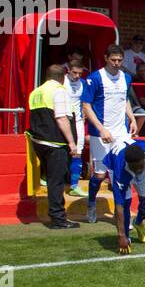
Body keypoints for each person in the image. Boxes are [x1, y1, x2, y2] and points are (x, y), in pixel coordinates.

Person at [81, 44, 138, 225]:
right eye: (113, 60)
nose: (116, 63)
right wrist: (101, 129)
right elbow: (86, 106)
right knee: (99, 176)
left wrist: (132, 118)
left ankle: (121, 213)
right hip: (101, 134)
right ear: (106, 58)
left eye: (119, 60)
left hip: (121, 133)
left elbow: (125, 99)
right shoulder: (95, 78)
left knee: (121, 174)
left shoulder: (126, 78)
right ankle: (91, 204)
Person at [27, 63, 82, 230]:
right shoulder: (59, 91)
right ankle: (58, 218)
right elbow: (61, 118)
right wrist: (72, 143)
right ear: (62, 77)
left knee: (52, 180)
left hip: (39, 142)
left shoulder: (36, 92)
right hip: (55, 143)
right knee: (56, 181)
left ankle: (56, 215)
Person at [105, 138, 145, 254]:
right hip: (119, 170)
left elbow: (141, 164)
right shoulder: (120, 171)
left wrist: (140, 168)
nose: (138, 170)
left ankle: (138, 222)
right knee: (125, 203)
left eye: (140, 165)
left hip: (143, 172)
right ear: (128, 163)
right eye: (135, 167)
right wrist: (121, 235)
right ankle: (127, 238)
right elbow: (119, 206)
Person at [64, 60, 88, 196]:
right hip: (62, 120)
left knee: (78, 151)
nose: (77, 75)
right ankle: (47, 177)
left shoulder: (83, 83)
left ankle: (74, 185)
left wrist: (85, 112)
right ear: (68, 70)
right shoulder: (61, 82)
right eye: (75, 72)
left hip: (78, 121)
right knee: (60, 150)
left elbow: (86, 101)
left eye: (80, 73)